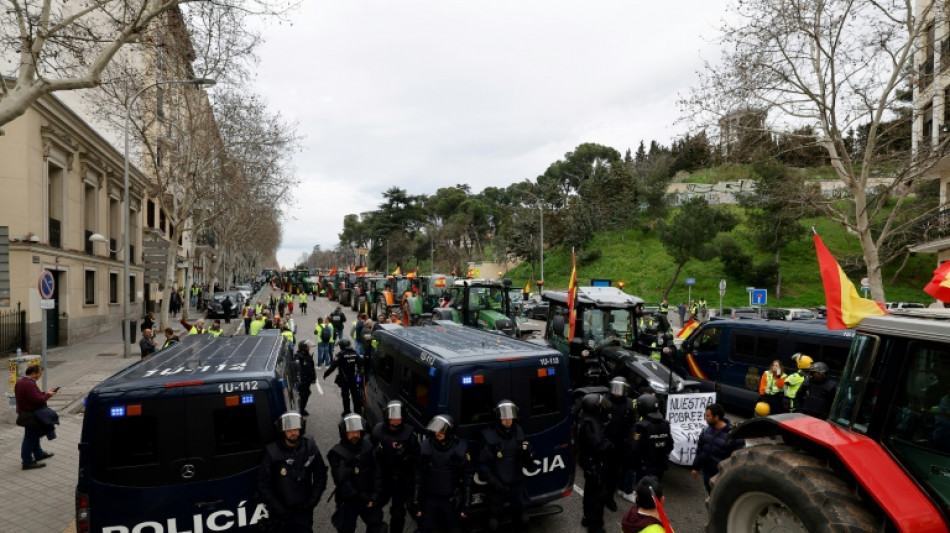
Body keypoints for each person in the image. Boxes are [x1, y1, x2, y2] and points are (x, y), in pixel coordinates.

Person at [257, 412, 328, 533]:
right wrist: (279, 508)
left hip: (303, 511)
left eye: (295, 429)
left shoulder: (309, 447)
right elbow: (262, 483)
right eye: (288, 430)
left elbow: (321, 474)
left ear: (301, 429)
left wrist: (312, 501)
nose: (293, 433)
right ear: (282, 431)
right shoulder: (272, 452)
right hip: (281, 514)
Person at [478, 400, 534, 531]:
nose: (508, 421)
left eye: (510, 417)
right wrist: (496, 483)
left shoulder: (518, 431)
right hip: (497, 486)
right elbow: (483, 466)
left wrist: (527, 452)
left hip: (516, 484)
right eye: (504, 418)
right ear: (498, 418)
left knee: (523, 520)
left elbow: (528, 462)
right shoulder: (490, 436)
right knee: (493, 524)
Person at [327, 414, 387, 533]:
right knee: (346, 528)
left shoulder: (367, 445)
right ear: (344, 433)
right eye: (351, 432)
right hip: (349, 500)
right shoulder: (337, 453)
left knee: (378, 528)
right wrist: (363, 498)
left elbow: (376, 470)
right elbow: (342, 482)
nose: (355, 435)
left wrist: (376, 493)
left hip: (369, 495)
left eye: (357, 432)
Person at [414, 414, 472, 533]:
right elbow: (419, 475)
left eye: (441, 431)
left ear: (449, 431)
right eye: (436, 430)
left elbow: (467, 479)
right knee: (424, 528)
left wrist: (466, 504)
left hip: (450, 499)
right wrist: (416, 501)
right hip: (431, 497)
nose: (437, 433)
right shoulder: (427, 446)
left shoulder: (459, 449)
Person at [371, 400, 419, 533]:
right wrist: (376, 453)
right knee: (373, 509)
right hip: (383, 479)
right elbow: (369, 454)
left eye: (399, 418)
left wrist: (407, 457)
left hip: (401, 480)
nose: (396, 422)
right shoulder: (377, 431)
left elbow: (417, 461)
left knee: (398, 513)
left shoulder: (410, 435)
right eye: (393, 418)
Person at [576, 393, 613, 533]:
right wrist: (610, 444)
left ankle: (587, 518)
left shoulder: (585, 418)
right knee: (597, 497)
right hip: (595, 465)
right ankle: (595, 526)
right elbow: (599, 445)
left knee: (589, 492)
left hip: (588, 463)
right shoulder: (591, 425)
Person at [691, 403, 744, 493]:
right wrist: (696, 467)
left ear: (716, 417)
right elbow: (700, 449)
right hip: (707, 472)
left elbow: (737, 458)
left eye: (708, 416)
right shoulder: (706, 430)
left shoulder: (733, 435)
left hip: (721, 475)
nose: (705, 418)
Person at [15, 365, 58, 470]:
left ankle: (38, 453)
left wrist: (45, 393)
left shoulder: (21, 382)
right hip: (31, 414)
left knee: (34, 435)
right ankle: (27, 462)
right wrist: (48, 395)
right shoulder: (29, 384)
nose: (40, 375)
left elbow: (32, 396)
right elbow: (38, 400)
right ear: (33, 373)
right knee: (29, 438)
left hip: (27, 413)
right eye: (39, 373)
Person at [603, 377, 637, 506]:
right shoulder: (605, 401)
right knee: (604, 473)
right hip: (606, 443)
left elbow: (633, 423)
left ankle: (609, 498)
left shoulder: (629, 404)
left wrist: (630, 441)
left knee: (615, 474)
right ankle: (602, 496)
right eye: (615, 388)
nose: (617, 392)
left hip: (620, 445)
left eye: (620, 388)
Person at [630, 393, 673, 482]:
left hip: (645, 467)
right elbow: (670, 445)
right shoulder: (665, 424)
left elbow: (634, 448)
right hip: (660, 467)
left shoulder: (640, 427)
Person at [324, 338, 365, 415]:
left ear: (342, 346)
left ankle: (347, 411)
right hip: (353, 378)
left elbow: (333, 366)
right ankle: (357, 411)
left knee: (345, 396)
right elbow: (361, 364)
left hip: (344, 379)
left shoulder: (340, 354)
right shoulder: (355, 353)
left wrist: (326, 374)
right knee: (355, 395)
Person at [297, 341, 317, 416]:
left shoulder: (307, 355)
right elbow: (297, 370)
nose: (309, 348)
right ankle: (300, 411)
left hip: (307, 380)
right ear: (303, 348)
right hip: (303, 381)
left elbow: (311, 368)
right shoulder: (299, 357)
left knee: (306, 393)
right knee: (303, 395)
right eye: (308, 347)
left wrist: (313, 378)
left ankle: (302, 409)